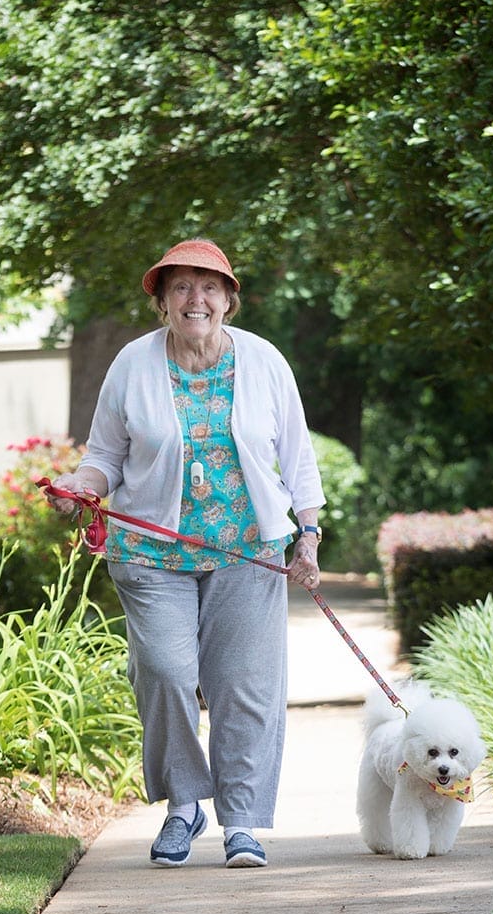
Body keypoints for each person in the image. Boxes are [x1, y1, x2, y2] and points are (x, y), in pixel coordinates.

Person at [48, 237, 325, 869]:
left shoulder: (264, 362)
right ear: (162, 302)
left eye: (208, 286)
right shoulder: (131, 364)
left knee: (242, 685)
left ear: (229, 299)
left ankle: (243, 823)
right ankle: (183, 804)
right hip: (151, 548)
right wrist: (77, 492)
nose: (195, 298)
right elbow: (104, 459)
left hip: (247, 550)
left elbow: (297, 460)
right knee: (168, 673)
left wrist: (307, 536)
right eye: (180, 286)